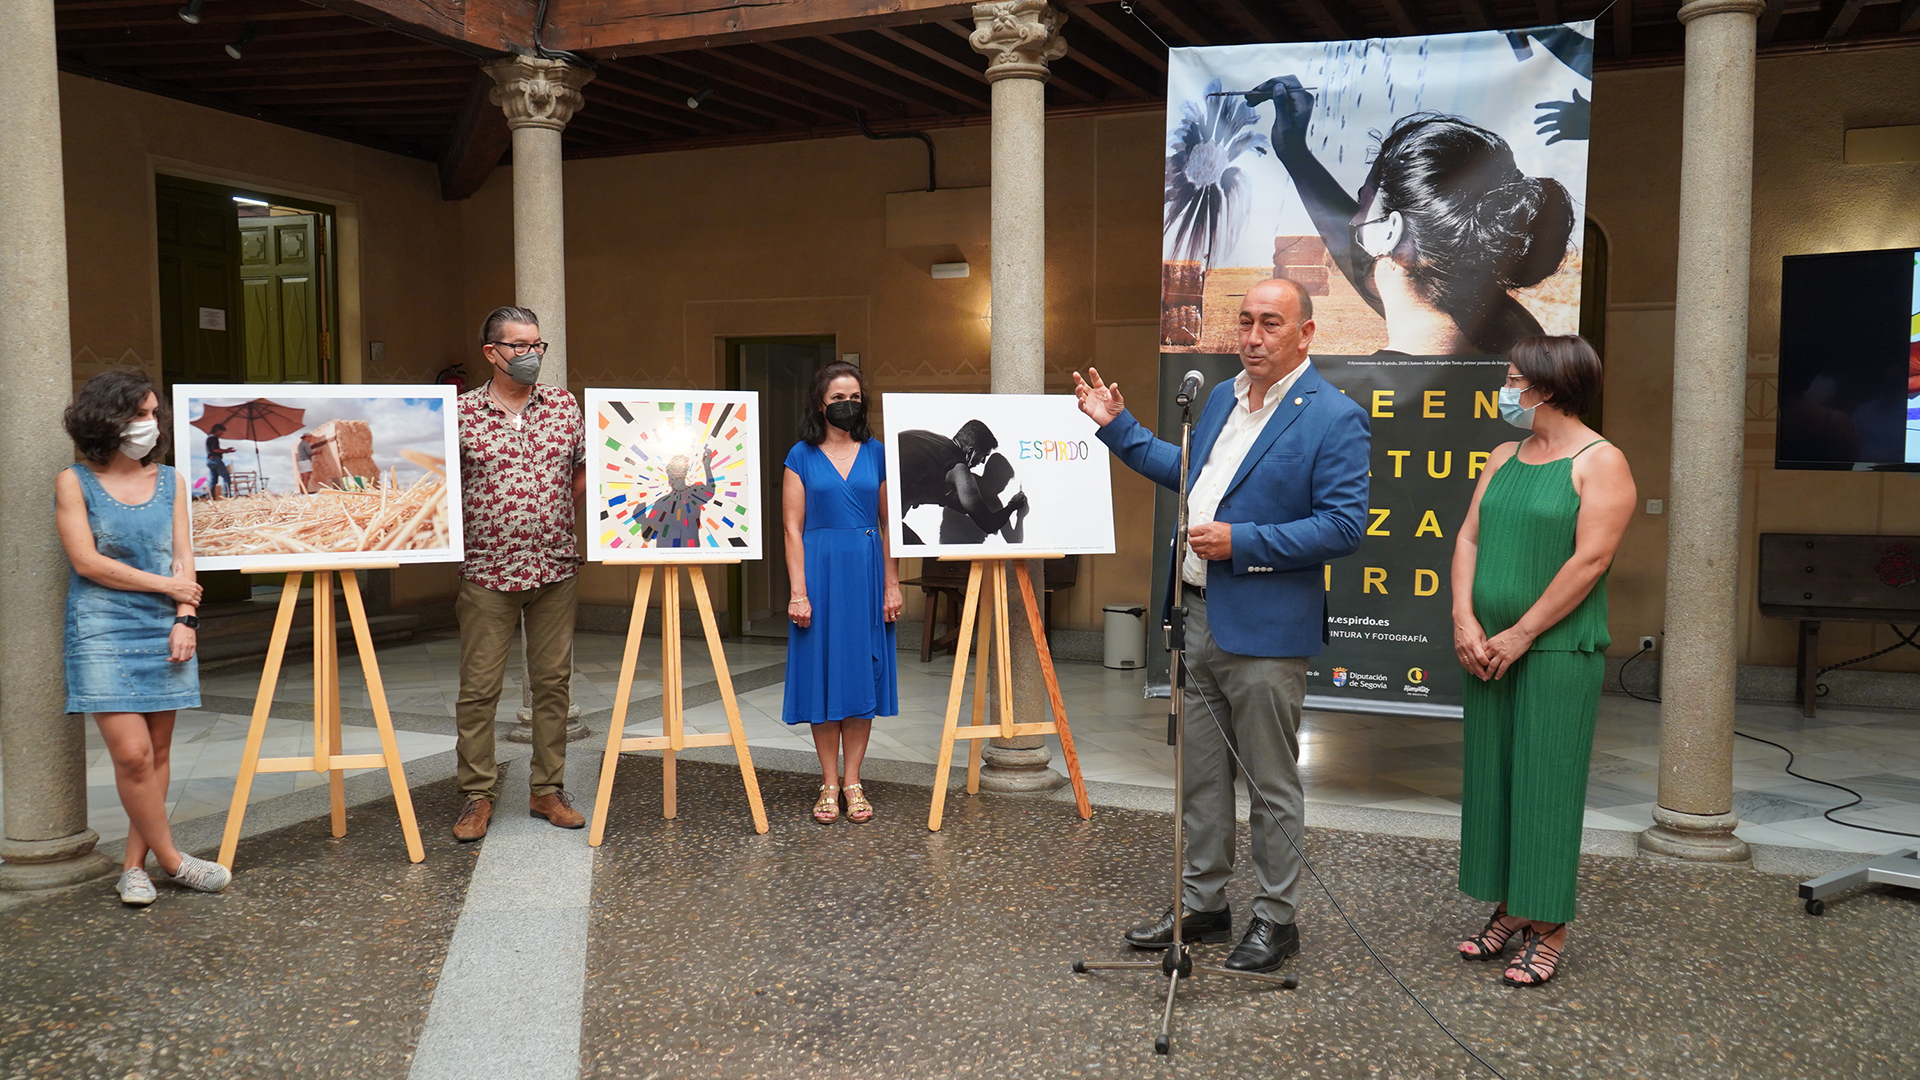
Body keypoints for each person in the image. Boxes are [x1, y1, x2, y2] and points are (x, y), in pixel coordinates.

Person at [1073, 278, 1370, 972]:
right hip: (1196, 616)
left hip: (1266, 630)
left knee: (1269, 784)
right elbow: (1188, 472)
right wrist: (1114, 426)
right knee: (1199, 780)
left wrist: (1246, 541)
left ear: (1306, 334)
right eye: (1245, 322)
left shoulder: (1333, 416)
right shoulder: (1218, 399)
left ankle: (1276, 918)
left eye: (1272, 323)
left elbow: (1343, 525)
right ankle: (1204, 906)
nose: (1255, 337)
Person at [1449, 335, 1633, 988]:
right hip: (1486, 648)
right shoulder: (1504, 454)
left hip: (1553, 650)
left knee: (1545, 787)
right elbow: (1469, 535)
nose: (1504, 389)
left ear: (1548, 387)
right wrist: (1464, 619)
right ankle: (1512, 906)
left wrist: (1522, 632)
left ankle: (1550, 924)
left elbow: (1590, 560)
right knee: (1497, 784)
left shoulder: (1601, 461)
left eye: (1512, 379)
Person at [57, 371, 231, 905]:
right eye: (138, 415)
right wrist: (169, 586)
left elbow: (184, 554)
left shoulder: (172, 480)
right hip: (102, 626)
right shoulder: (74, 480)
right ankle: (176, 861)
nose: (149, 425)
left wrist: (185, 615)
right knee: (131, 755)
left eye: (153, 414)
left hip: (166, 625)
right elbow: (87, 563)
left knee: (157, 750)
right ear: (105, 420)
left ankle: (134, 868)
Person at [1245, 80, 1574, 356]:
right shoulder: (1514, 331)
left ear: (1390, 233)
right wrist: (1295, 153)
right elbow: (1374, 255)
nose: (1353, 222)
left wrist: (1295, 154)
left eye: (1363, 202)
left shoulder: (1355, 397)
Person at [451, 305, 588, 841]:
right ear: (492, 352)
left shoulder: (562, 405)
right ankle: (477, 796)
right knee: (479, 689)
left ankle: (547, 790)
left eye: (537, 345)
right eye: (519, 346)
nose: (531, 355)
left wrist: (553, 513)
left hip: (556, 565)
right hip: (486, 570)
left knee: (553, 684)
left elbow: (581, 470)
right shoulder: (460, 414)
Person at [781, 361, 903, 824]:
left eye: (854, 396)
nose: (847, 404)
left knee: (860, 674)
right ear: (820, 403)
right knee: (822, 675)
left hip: (868, 573)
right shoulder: (800, 455)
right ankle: (828, 782)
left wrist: (892, 584)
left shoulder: (878, 453)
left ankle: (854, 780)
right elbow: (792, 529)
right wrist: (798, 592)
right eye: (837, 398)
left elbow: (891, 524)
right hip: (819, 573)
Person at [895, 420, 1029, 546]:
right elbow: (989, 525)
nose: (982, 462)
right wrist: (1013, 506)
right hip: (889, 513)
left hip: (882, 491)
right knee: (924, 553)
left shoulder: (926, 438)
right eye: (984, 456)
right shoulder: (958, 469)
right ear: (971, 452)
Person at [640, 447, 717, 547]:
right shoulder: (694, 495)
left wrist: (642, 520)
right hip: (686, 554)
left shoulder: (663, 503)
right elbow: (710, 492)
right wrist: (707, 466)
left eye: (671, 477)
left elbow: (647, 535)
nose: (669, 481)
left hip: (673, 555)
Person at [205, 423, 233, 500]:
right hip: (215, 459)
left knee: (213, 480)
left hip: (209, 460)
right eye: (221, 431)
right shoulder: (214, 438)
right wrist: (226, 450)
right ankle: (227, 496)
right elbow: (215, 450)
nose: (222, 433)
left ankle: (210, 497)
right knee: (226, 477)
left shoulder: (209, 438)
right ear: (217, 430)